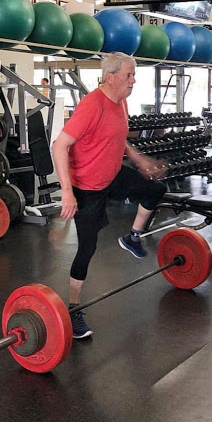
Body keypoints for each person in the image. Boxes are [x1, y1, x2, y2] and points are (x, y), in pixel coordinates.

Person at [52, 52, 167, 339]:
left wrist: (139, 160)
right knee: (87, 249)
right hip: (87, 188)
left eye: (134, 74)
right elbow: (59, 145)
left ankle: (133, 237)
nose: (133, 80)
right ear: (111, 76)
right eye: (129, 75)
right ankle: (74, 309)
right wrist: (67, 192)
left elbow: (117, 136)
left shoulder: (121, 101)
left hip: (112, 175)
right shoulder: (92, 105)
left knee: (155, 189)